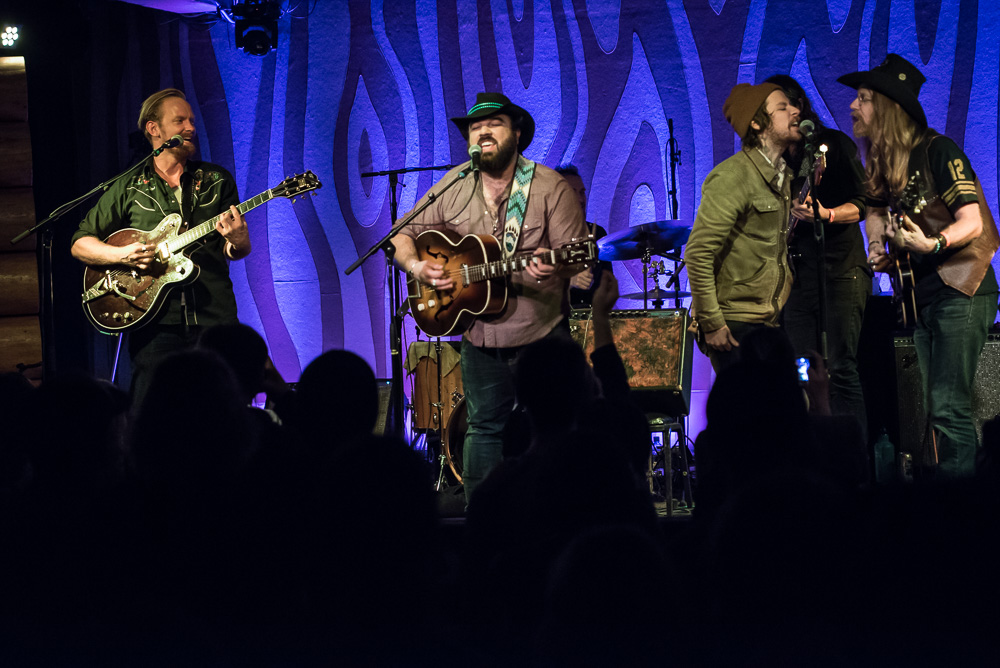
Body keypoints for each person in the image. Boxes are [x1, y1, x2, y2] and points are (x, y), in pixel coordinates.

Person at [391, 92, 587, 501]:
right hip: (480, 334)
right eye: (475, 128)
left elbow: (578, 261)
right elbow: (401, 235)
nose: (482, 132)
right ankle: (481, 520)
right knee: (482, 426)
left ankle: (558, 513)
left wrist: (556, 266)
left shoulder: (550, 187)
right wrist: (417, 267)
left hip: (540, 334)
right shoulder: (455, 183)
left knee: (557, 427)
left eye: (493, 124)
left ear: (517, 133)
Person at [839, 54, 999, 479]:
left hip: (962, 288)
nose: (854, 106)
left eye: (864, 98)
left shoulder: (938, 151)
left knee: (948, 405)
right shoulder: (885, 161)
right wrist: (876, 245)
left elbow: (973, 220)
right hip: (924, 292)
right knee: (937, 406)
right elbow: (874, 207)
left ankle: (962, 506)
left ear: (890, 108)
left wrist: (932, 242)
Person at [71, 89, 251, 408]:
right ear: (155, 130)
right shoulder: (129, 186)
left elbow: (233, 249)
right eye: (179, 120)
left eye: (192, 120)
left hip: (214, 317)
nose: (191, 127)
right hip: (154, 322)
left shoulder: (216, 180)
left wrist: (238, 242)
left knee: (223, 412)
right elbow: (81, 243)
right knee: (151, 413)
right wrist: (122, 255)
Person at [764, 74, 871, 436]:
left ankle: (853, 464)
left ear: (798, 109)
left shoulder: (831, 147)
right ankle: (811, 455)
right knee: (802, 369)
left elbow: (866, 204)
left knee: (840, 368)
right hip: (797, 276)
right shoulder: (772, 164)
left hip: (841, 269)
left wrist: (825, 214)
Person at [686, 82, 802, 372]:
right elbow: (698, 252)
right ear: (757, 123)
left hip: (766, 322)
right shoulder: (733, 176)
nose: (796, 111)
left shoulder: (783, 176)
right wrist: (712, 323)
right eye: (782, 107)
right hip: (734, 323)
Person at [555, 164, 612, 308]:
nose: (580, 199)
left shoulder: (598, 233)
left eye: (582, 192)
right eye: (572, 192)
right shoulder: (544, 233)